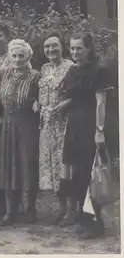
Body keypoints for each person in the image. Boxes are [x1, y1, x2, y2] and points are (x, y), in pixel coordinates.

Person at [61, 32, 110, 239]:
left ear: (88, 49)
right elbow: (72, 96)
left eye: (79, 48)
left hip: (91, 123)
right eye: (72, 48)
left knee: (92, 174)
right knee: (78, 174)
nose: (74, 52)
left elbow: (101, 102)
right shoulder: (72, 71)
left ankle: (97, 223)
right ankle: (84, 218)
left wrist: (99, 131)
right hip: (74, 124)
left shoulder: (99, 71)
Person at [0, 39, 41, 228]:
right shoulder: (4, 74)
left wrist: (37, 103)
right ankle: (10, 210)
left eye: (22, 56)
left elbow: (39, 98)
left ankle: (30, 209)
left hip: (27, 126)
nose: (18, 59)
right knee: (8, 166)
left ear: (28, 56)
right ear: (10, 57)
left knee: (27, 166)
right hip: (8, 126)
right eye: (14, 55)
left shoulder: (36, 76)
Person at [37, 31, 74, 225]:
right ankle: (62, 208)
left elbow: (78, 94)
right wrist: (37, 103)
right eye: (47, 47)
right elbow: (42, 92)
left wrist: (66, 103)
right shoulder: (44, 69)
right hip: (47, 124)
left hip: (64, 123)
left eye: (54, 45)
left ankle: (72, 210)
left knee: (65, 165)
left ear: (62, 47)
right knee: (52, 167)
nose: (51, 49)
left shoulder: (70, 67)